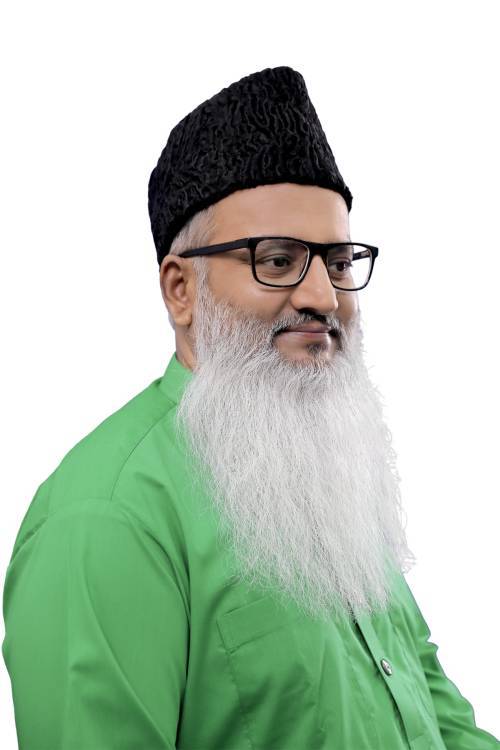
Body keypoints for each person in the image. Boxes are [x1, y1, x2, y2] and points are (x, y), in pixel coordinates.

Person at [2, 66, 498, 750]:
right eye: (277, 259)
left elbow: (441, 723)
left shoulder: (322, 478)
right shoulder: (107, 518)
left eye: (338, 262)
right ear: (181, 290)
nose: (324, 297)